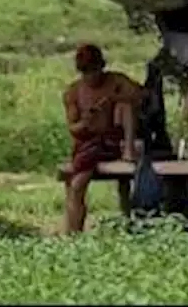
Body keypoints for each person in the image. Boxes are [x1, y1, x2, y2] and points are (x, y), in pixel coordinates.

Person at [62, 43, 143, 234]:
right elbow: (73, 128)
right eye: (87, 72)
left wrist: (119, 97)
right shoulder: (73, 92)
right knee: (76, 185)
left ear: (102, 66)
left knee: (125, 105)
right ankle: (73, 232)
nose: (92, 76)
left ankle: (128, 151)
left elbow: (142, 95)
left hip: (118, 141)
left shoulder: (116, 81)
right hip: (90, 144)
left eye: (95, 70)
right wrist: (85, 123)